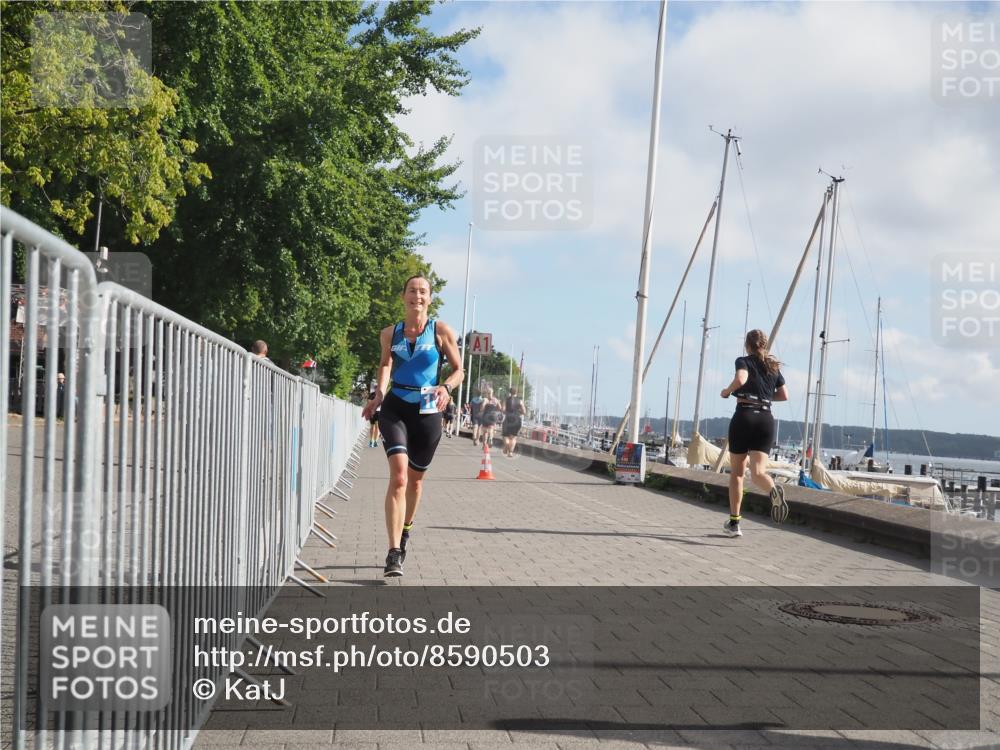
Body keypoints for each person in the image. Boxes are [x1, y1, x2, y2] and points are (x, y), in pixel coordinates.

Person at [361, 275, 464, 577]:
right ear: (403, 296)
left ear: (429, 299)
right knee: (400, 478)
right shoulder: (389, 334)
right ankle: (393, 552)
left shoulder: (441, 331)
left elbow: (459, 369)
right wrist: (378, 395)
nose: (416, 296)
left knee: (416, 483)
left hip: (428, 411)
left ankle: (405, 531)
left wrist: (446, 387)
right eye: (411, 291)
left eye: (422, 292)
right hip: (395, 408)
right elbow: (384, 364)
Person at [719, 329, 790, 537]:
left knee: (738, 473)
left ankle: (734, 524)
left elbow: (741, 379)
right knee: (758, 472)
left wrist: (727, 391)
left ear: (747, 345)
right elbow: (784, 395)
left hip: (745, 416)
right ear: (764, 345)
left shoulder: (743, 361)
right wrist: (765, 396)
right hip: (766, 419)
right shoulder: (772, 366)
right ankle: (772, 490)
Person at [501, 387, 526, 457]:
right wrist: (519, 413)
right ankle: (510, 452)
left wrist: (507, 412)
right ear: (516, 392)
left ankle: (506, 447)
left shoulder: (506, 400)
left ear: (510, 392)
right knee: (513, 437)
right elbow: (524, 411)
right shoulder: (520, 401)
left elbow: (503, 409)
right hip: (517, 420)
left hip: (508, 419)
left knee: (505, 436)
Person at [367, 380, 381, 447]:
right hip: (372, 412)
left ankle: (375, 441)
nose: (376, 389)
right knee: (372, 427)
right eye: (375, 387)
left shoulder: (381, 395)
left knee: (377, 427)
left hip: (379, 412)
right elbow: (369, 402)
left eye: (378, 387)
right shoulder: (371, 395)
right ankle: (371, 441)